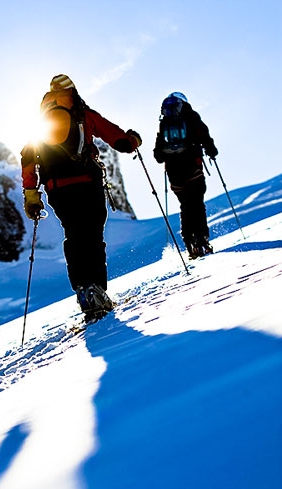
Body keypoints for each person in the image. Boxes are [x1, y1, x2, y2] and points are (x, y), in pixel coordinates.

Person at [21, 74, 142, 321]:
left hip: (57, 189)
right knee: (92, 235)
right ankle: (97, 290)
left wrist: (31, 194)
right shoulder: (82, 113)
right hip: (87, 182)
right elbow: (119, 140)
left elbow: (27, 158)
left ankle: (84, 290)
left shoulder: (41, 121)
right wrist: (133, 139)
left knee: (74, 234)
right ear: (73, 91)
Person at [153, 92, 218, 259]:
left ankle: (189, 241)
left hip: (175, 175)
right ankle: (202, 239)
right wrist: (211, 150)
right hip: (193, 169)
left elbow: (158, 156)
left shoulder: (164, 123)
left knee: (186, 206)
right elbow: (205, 137)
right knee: (197, 204)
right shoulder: (192, 117)